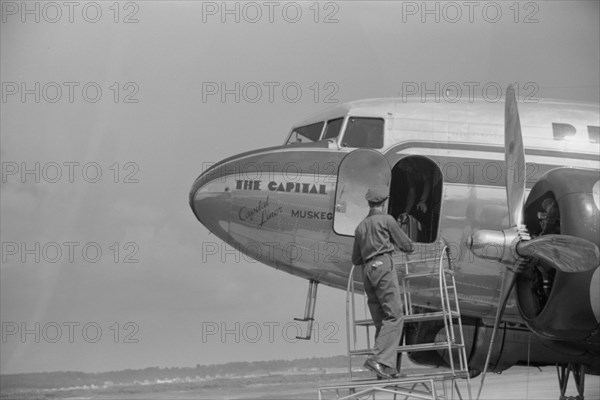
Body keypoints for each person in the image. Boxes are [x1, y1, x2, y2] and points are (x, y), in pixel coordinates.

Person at [352, 185, 415, 379]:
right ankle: (378, 360)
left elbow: (355, 259)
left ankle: (387, 369)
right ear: (384, 202)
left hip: (367, 272)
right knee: (395, 316)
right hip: (382, 267)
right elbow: (407, 245)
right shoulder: (387, 220)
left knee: (382, 321)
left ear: (370, 203)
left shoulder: (360, 226)